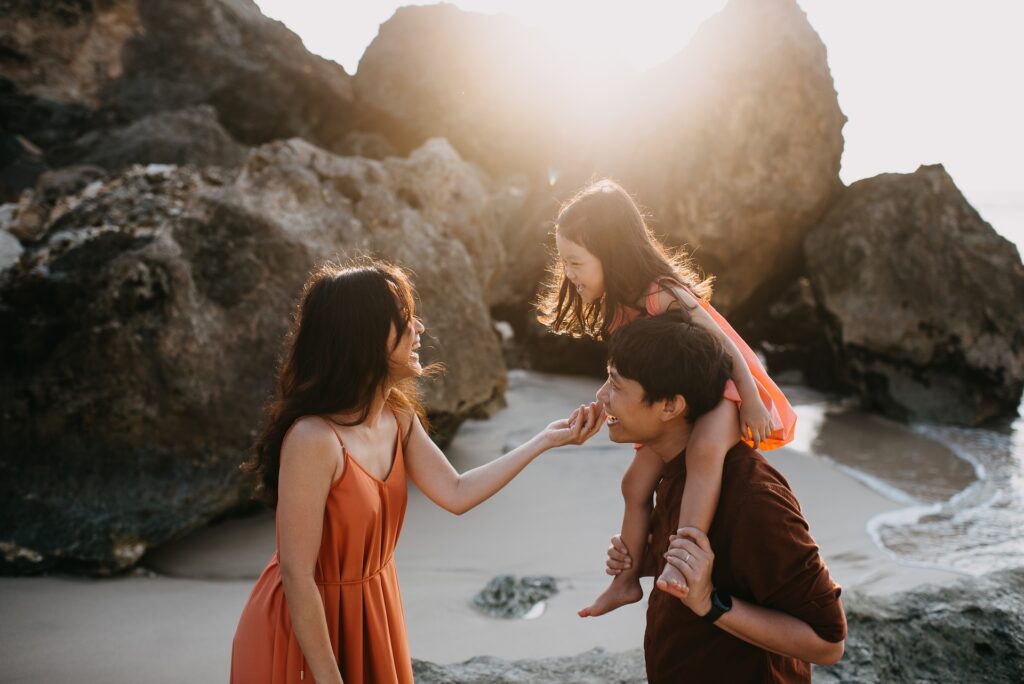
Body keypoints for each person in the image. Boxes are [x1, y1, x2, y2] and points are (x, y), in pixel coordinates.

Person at [230, 259, 604, 684]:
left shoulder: (397, 417)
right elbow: (297, 577)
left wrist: (544, 440)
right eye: (404, 320)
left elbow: (457, 492)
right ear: (364, 338)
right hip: (305, 628)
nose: (419, 328)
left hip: (374, 608)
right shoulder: (313, 440)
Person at [537, 179, 798, 616]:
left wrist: (751, 399)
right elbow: (631, 381)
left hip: (725, 389)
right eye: (564, 261)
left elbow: (725, 345)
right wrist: (602, 408)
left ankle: (683, 562)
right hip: (676, 396)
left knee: (704, 451)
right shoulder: (617, 306)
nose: (568, 273)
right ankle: (625, 581)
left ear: (611, 252)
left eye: (575, 261)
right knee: (633, 483)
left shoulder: (660, 293)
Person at [597, 314, 846, 682]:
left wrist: (710, 602)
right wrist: (652, 557)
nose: (602, 396)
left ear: (670, 406)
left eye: (616, 386)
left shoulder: (754, 500)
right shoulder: (671, 472)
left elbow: (827, 643)